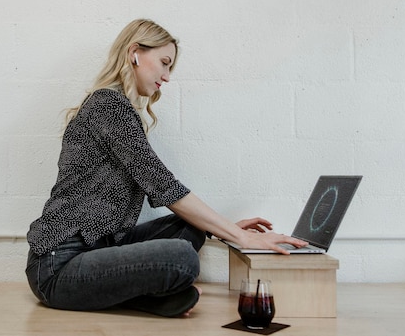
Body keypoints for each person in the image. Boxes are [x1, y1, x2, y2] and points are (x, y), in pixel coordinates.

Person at [25, 19, 307, 318]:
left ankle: (129, 291)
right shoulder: (107, 106)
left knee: (193, 228)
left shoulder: (120, 109)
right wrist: (242, 238)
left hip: (98, 251)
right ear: (134, 52)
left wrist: (223, 229)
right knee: (182, 257)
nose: (167, 76)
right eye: (164, 62)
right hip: (58, 266)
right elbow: (163, 185)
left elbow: (166, 190)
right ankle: (139, 291)